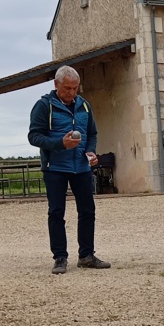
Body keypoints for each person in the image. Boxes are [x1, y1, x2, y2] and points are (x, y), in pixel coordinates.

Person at [28, 66, 110, 274]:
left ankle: (86, 255)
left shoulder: (84, 106)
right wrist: (60, 143)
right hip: (54, 167)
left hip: (81, 167)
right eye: (67, 88)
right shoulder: (43, 106)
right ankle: (60, 258)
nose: (72, 93)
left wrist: (91, 152)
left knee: (87, 211)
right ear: (56, 85)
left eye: (75, 88)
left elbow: (92, 134)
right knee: (56, 212)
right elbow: (34, 137)